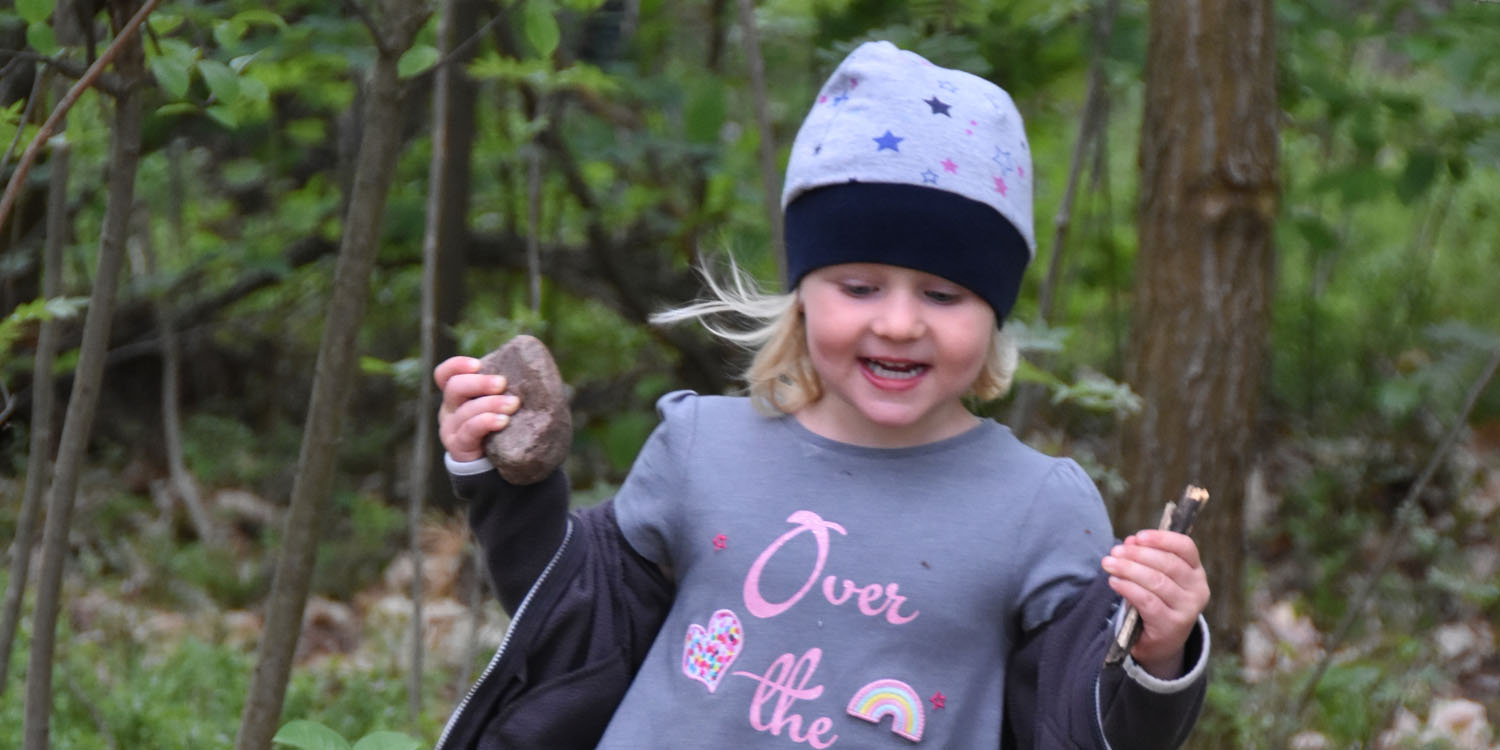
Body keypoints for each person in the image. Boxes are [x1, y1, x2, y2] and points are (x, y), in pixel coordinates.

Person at [432, 41, 1210, 750]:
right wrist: (503, 484)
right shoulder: (701, 445)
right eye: (860, 286)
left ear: (994, 315)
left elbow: (1074, 727)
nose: (899, 323)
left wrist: (1158, 650)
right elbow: (573, 634)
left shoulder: (1038, 506)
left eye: (944, 295)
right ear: (803, 294)